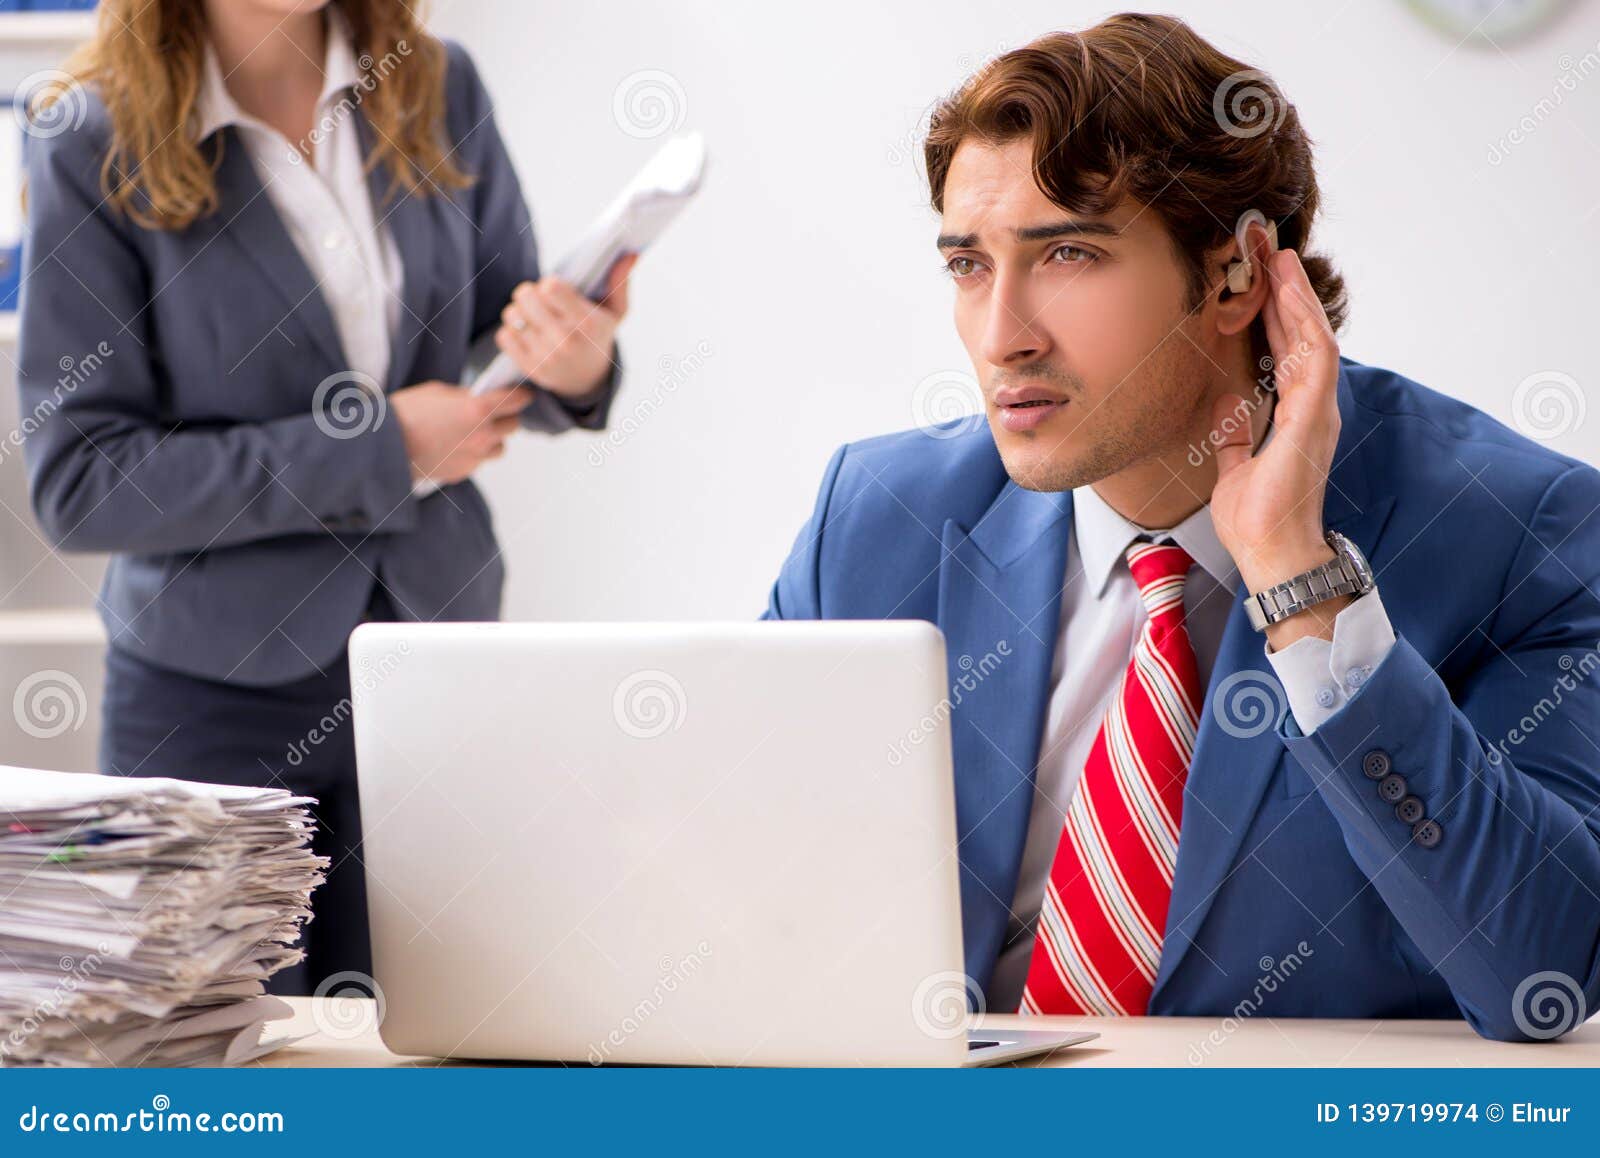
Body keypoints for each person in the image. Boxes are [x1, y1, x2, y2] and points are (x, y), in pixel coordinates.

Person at [765, 13, 1600, 1041]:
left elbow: (1542, 971)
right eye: (968, 265)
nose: (999, 337)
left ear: (1233, 276)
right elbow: (732, 883)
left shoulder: (1521, 533)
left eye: (1065, 253)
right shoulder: (878, 517)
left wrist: (1298, 581)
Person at [16, 0, 633, 993]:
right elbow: (83, 480)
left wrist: (571, 365)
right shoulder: (92, 133)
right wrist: (381, 448)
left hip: (437, 671)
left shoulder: (436, 81)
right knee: (220, 1071)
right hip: (211, 701)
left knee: (440, 1063)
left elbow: (490, 346)